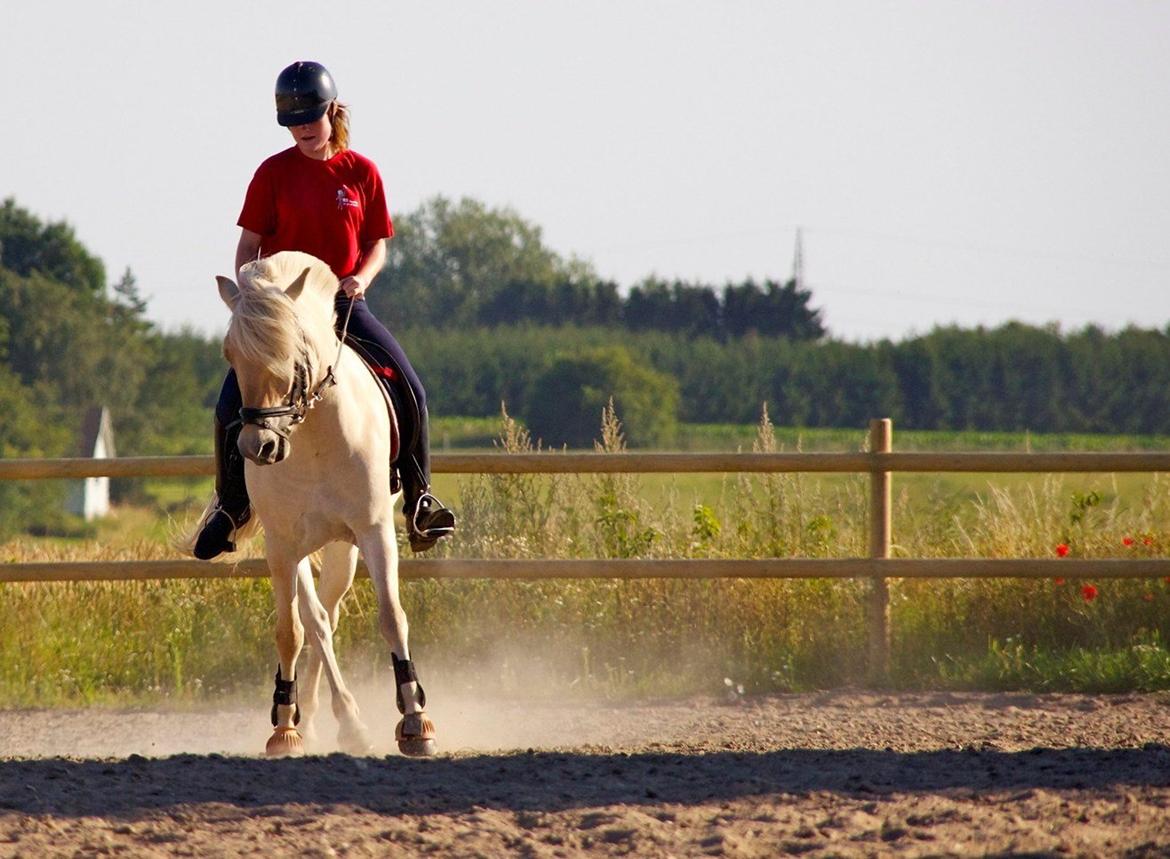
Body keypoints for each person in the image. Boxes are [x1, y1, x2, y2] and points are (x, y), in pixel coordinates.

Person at [194, 60, 456, 560]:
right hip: (284, 314)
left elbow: (378, 242)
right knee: (231, 405)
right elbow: (248, 244)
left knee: (413, 390)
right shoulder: (271, 173)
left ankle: (419, 500)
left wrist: (363, 276)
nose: (302, 131)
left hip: (341, 303)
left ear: (332, 111)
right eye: (292, 123)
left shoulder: (362, 172)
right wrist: (256, 293)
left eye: (310, 119)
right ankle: (229, 509)